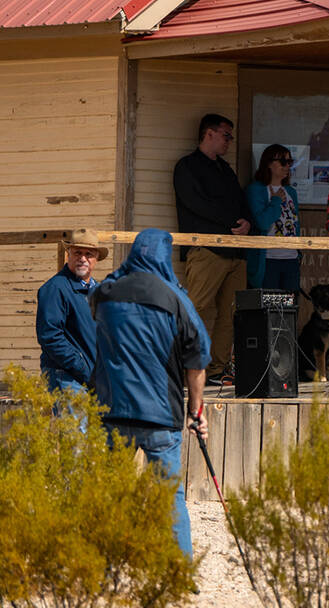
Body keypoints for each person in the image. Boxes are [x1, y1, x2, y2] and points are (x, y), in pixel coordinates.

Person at [89, 228, 211, 557]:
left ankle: (104, 565)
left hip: (112, 408)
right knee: (169, 493)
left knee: (113, 487)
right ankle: (180, 569)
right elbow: (197, 360)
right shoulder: (176, 298)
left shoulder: (106, 292)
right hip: (160, 415)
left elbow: (95, 313)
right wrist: (196, 411)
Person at [173, 113, 250, 386]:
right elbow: (194, 203)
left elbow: (240, 202)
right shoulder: (187, 167)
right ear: (209, 134)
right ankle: (185, 370)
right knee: (197, 308)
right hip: (206, 250)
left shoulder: (225, 170)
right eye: (226, 135)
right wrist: (231, 222)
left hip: (235, 252)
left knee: (230, 313)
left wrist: (246, 223)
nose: (229, 141)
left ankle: (216, 370)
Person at [36, 228, 107, 394]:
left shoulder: (99, 291)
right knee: (73, 422)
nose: (83, 259)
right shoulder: (55, 288)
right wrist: (83, 369)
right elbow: (51, 337)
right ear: (68, 254)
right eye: (77, 253)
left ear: (96, 258)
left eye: (89, 254)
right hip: (67, 378)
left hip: (94, 380)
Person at [246, 144, 301, 291]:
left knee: (290, 307)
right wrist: (275, 201)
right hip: (268, 259)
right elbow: (263, 223)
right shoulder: (256, 190)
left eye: (289, 162)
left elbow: (295, 223)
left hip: (291, 258)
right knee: (269, 307)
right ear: (269, 163)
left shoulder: (291, 192)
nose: (286, 166)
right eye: (283, 162)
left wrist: (298, 252)